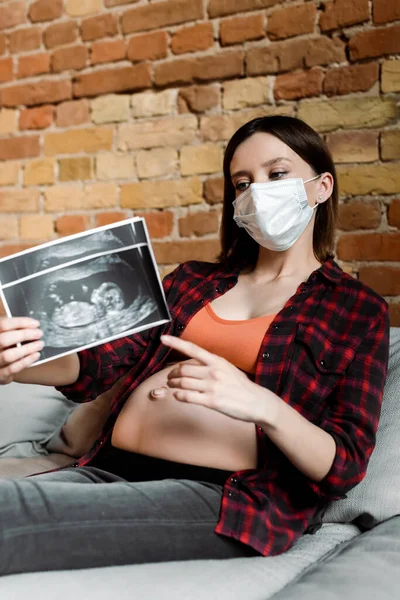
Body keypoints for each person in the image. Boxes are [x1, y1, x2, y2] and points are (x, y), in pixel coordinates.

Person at [0, 116, 389, 575]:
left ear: (321, 186)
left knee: (14, 516)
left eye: (277, 174)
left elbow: (342, 465)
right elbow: (97, 365)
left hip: (224, 495)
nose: (257, 192)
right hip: (111, 466)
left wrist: (259, 403)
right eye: (242, 182)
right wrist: (21, 361)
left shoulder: (355, 309)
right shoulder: (190, 280)